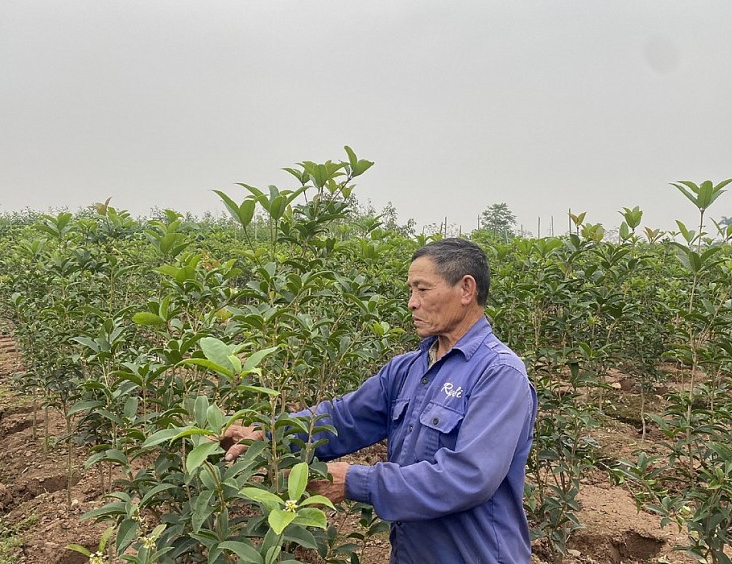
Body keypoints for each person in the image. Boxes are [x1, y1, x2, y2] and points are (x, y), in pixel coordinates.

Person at [221, 238, 538, 564]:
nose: (412, 303)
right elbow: (343, 419)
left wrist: (356, 481)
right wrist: (267, 437)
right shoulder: (407, 369)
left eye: (423, 290)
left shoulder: (499, 373)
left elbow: (468, 477)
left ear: (466, 290)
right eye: (410, 290)